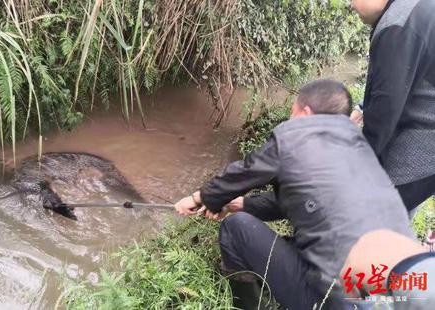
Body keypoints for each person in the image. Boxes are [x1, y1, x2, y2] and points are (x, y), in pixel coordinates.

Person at [175, 79, 414, 309]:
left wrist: (199, 199)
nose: (290, 121)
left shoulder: (295, 137)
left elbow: (243, 172)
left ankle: (252, 305)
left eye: (292, 113)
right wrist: (244, 203)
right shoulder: (359, 149)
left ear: (306, 114)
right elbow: (303, 200)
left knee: (234, 228)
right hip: (399, 294)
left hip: (336, 299)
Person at [349, 0, 435, 212]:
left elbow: (384, 111)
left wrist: (354, 165)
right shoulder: (417, 8)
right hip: (424, 147)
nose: (351, 5)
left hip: (422, 147)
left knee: (372, 210)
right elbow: (407, 79)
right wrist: (362, 107)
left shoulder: (398, 22)